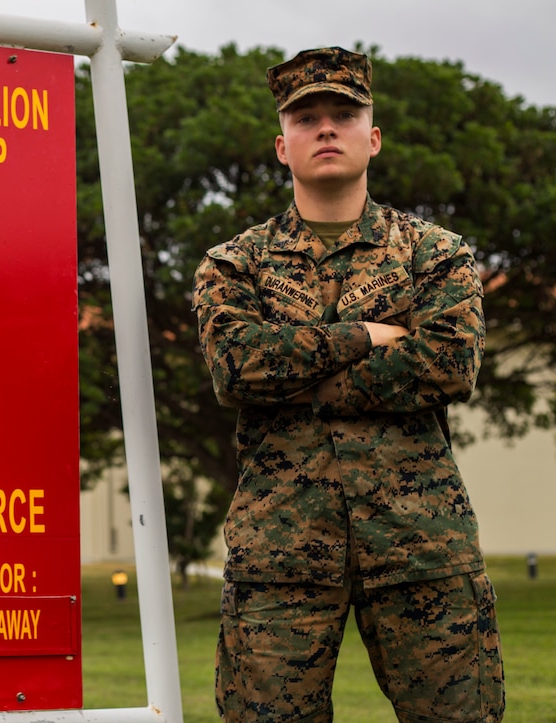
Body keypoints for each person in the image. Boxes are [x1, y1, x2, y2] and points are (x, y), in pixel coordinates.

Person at [193, 47, 505, 722]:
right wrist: (364, 336)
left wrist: (301, 381)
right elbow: (237, 366)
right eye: (307, 117)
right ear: (283, 145)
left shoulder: (434, 251)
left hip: (419, 544)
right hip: (282, 552)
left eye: (344, 113)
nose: (326, 128)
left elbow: (450, 360)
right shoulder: (234, 264)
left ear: (374, 137)